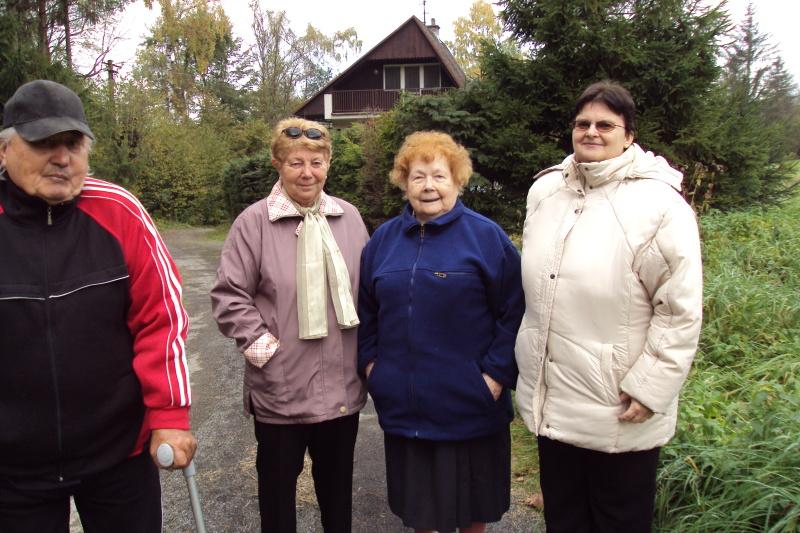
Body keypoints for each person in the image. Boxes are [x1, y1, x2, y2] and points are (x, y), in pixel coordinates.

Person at [0, 79, 196, 531]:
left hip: (117, 453)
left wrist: (169, 414)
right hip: (13, 470)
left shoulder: (118, 210)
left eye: (73, 144)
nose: (62, 158)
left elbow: (162, 318)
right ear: (5, 150)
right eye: (43, 143)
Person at [514, 80, 703, 532]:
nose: (591, 132)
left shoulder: (659, 205)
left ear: (629, 135)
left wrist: (651, 387)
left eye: (605, 124)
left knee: (618, 522)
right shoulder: (546, 193)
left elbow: (679, 308)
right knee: (564, 519)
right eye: (582, 123)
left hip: (618, 406)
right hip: (554, 399)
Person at [358, 131, 524, 533]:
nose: (428, 186)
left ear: (457, 181)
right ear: (404, 182)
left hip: (470, 402)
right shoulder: (382, 241)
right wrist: (373, 369)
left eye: (439, 176)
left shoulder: (486, 237)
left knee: (472, 509)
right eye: (418, 176)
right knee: (420, 511)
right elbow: (366, 311)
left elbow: (515, 310)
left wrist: (494, 376)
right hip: (405, 405)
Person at [210, 117, 368, 533]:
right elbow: (229, 295)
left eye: (316, 162)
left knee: (337, 496)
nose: (307, 173)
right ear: (277, 164)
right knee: (277, 502)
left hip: (341, 390)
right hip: (281, 392)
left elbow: (369, 291)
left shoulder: (349, 219)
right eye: (296, 162)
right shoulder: (254, 223)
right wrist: (268, 353)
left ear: (328, 163)